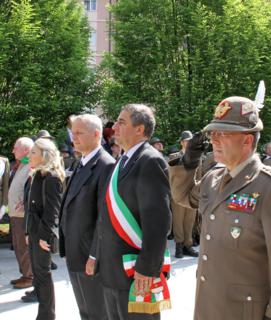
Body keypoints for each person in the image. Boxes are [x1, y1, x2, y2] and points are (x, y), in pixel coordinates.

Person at [169, 96, 271, 320]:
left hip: (245, 310)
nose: (215, 140)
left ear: (248, 141)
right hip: (209, 303)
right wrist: (189, 161)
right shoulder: (213, 178)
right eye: (213, 134)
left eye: (224, 134)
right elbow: (183, 196)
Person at [97, 104, 171, 320]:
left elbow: (158, 222)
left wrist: (148, 268)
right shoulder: (123, 160)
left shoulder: (150, 160)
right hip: (114, 269)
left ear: (139, 129)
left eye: (121, 122)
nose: (114, 127)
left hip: (136, 271)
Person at [59, 114, 115, 320]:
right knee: (86, 311)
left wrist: (95, 254)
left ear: (97, 134)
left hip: (90, 256)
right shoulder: (80, 162)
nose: (73, 138)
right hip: (76, 253)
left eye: (79, 133)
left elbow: (105, 216)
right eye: (72, 133)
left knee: (98, 312)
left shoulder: (105, 165)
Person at [24, 138, 64, 319]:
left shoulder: (51, 177)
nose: (29, 155)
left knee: (43, 275)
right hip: (33, 231)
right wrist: (27, 232)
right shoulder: (38, 174)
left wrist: (42, 236)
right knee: (38, 275)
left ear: (44, 155)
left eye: (33, 152)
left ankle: (47, 315)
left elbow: (51, 211)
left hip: (41, 233)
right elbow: (30, 207)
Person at [8, 138, 34, 289]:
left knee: (23, 247)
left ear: (25, 149)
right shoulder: (22, 163)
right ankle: (25, 274)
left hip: (22, 214)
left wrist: (24, 203)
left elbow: (31, 188)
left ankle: (29, 276)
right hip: (15, 213)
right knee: (18, 246)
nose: (12, 151)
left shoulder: (31, 164)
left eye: (15, 148)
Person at [169, 131, 198, 259]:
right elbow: (171, 176)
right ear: (182, 142)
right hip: (178, 193)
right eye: (186, 141)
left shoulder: (197, 156)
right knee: (178, 220)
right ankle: (179, 246)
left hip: (192, 193)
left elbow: (200, 174)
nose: (189, 143)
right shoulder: (175, 157)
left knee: (190, 220)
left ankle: (188, 244)